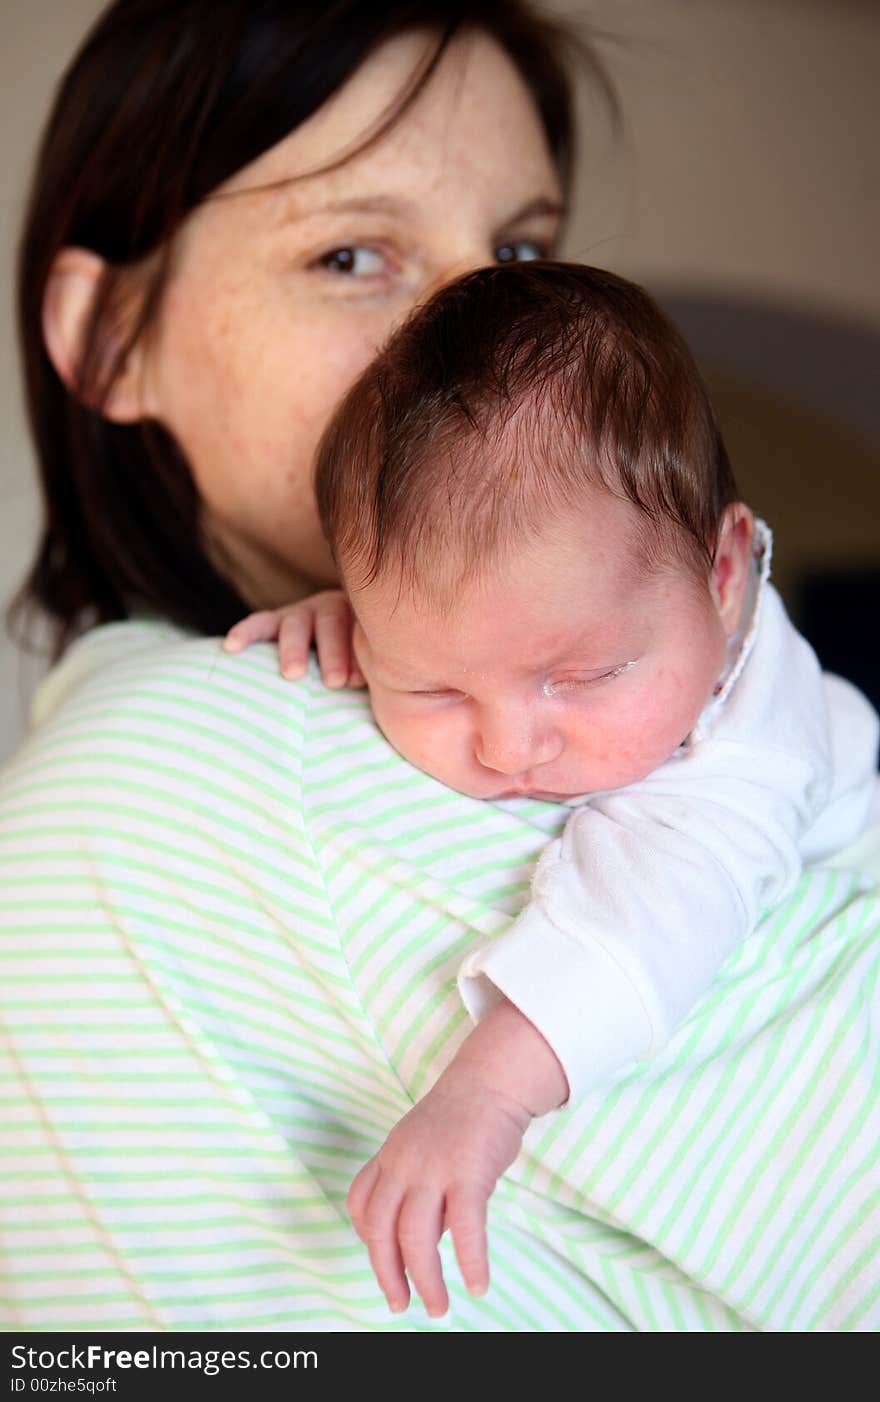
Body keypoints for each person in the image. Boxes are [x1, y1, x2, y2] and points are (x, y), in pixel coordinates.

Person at [2, 0, 879, 1332]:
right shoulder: (248, 761)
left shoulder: (720, 715)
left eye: (520, 245)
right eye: (355, 251)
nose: (470, 330)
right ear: (112, 335)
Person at [225, 260, 879, 1315]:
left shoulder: (754, 736)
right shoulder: (549, 628)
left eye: (579, 675)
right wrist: (343, 627)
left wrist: (482, 1095)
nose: (507, 745)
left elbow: (651, 912)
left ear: (720, 579)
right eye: (429, 681)